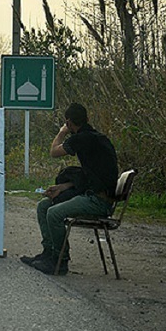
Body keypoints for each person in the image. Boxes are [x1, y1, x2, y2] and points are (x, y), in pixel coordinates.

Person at [20, 103, 119, 275]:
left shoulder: (82, 138)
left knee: (54, 213)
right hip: (94, 194)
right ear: (87, 119)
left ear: (69, 122)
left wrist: (62, 132)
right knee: (44, 206)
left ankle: (60, 261)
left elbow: (54, 152)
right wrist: (64, 186)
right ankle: (48, 254)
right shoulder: (95, 138)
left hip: (98, 201)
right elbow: (94, 176)